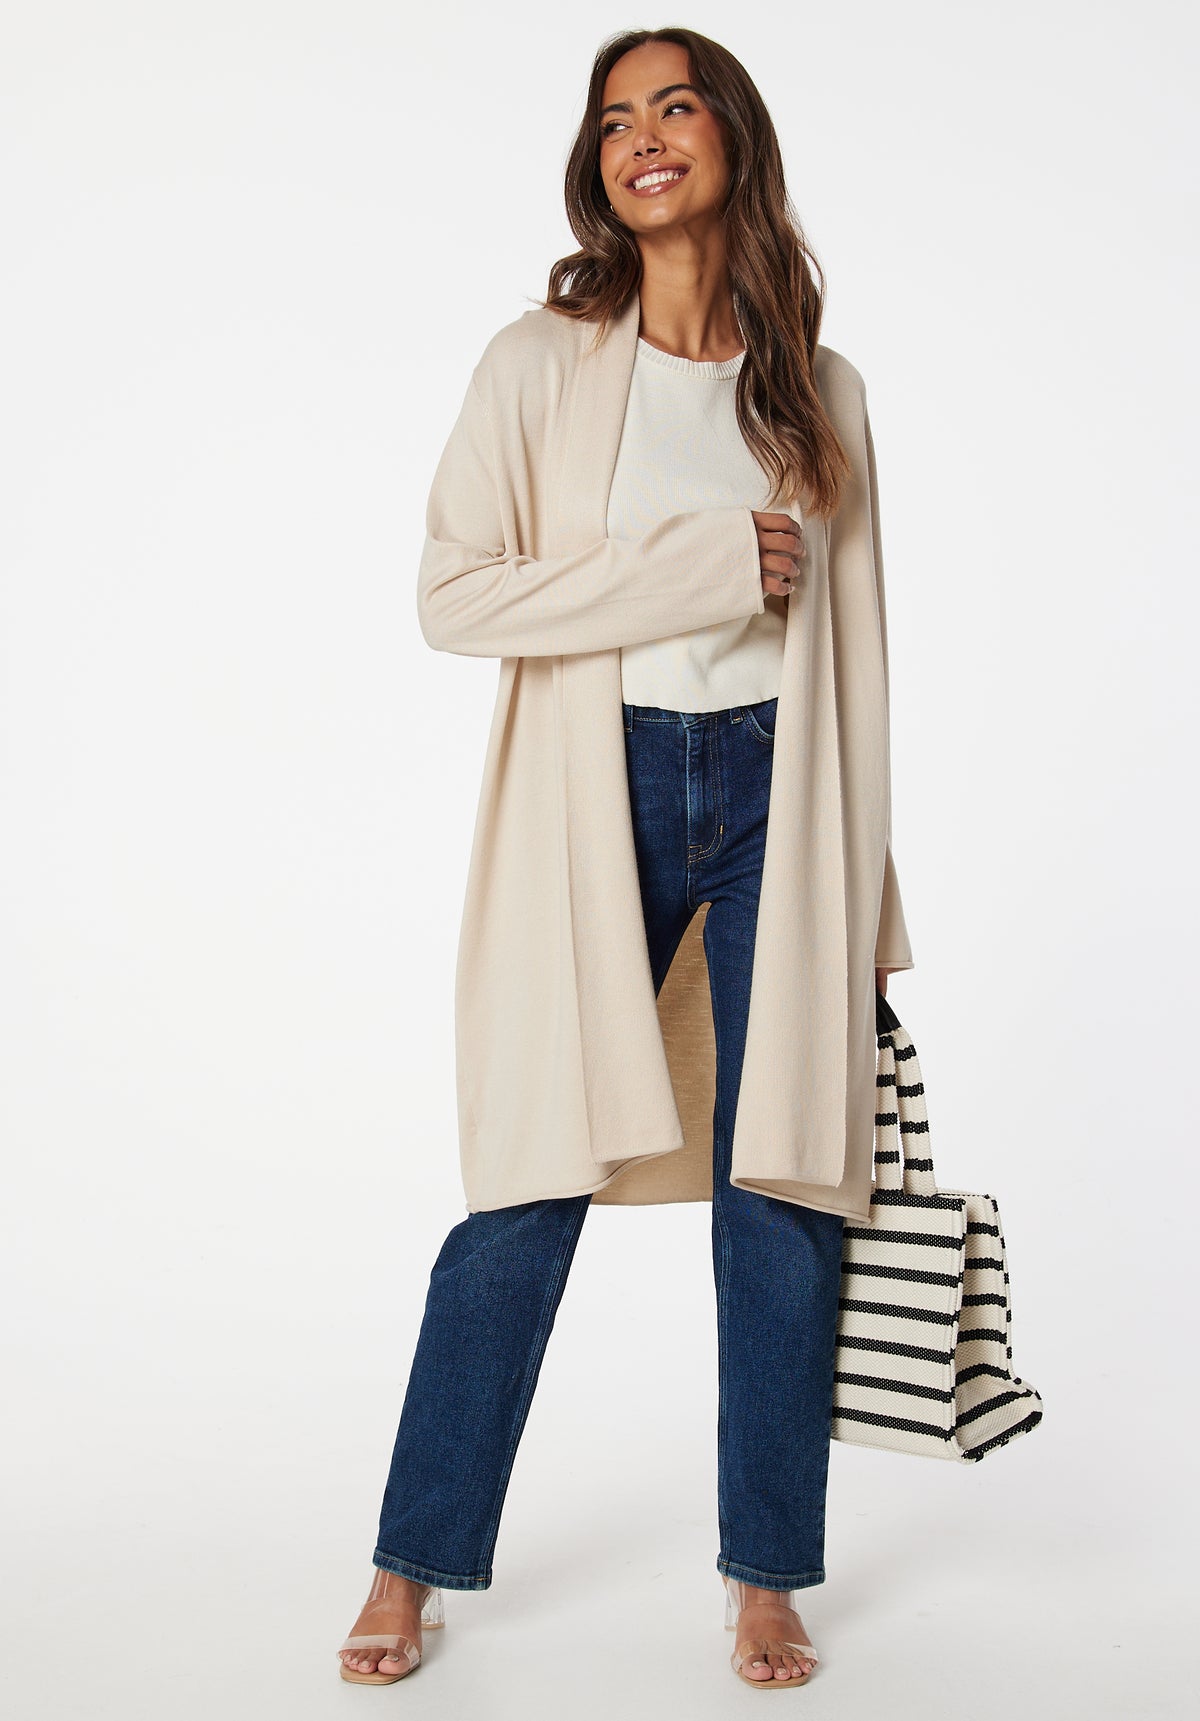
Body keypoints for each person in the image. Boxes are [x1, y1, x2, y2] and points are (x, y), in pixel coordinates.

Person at [338, 24, 914, 1692]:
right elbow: (453, 596)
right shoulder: (538, 363)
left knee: (782, 1187)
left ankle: (767, 1577)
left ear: (734, 137)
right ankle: (411, 1557)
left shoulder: (822, 391)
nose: (642, 136)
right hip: (602, 790)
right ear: (596, 166)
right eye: (614, 120)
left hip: (783, 794)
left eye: (674, 106)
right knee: (529, 1180)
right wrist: (697, 566)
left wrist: (868, 908)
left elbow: (859, 661)